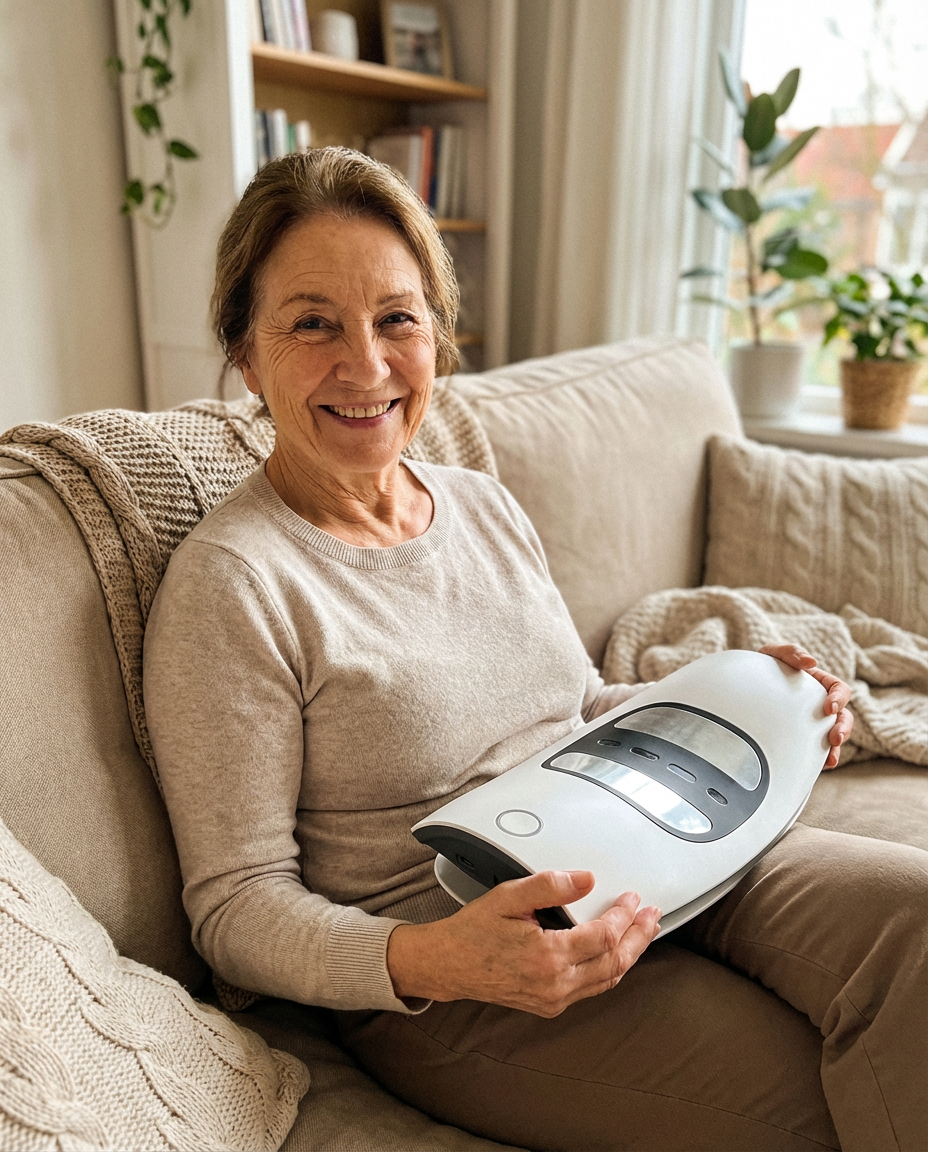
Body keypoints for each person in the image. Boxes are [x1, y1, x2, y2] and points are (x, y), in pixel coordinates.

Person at [143, 148, 926, 1152]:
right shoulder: (236, 585)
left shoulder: (480, 503)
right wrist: (435, 960)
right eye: (311, 325)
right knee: (827, 1103)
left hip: (644, 849)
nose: (366, 364)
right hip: (465, 979)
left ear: (437, 333)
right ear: (246, 356)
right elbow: (234, 909)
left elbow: (577, 708)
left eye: (396, 318)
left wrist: (739, 707)